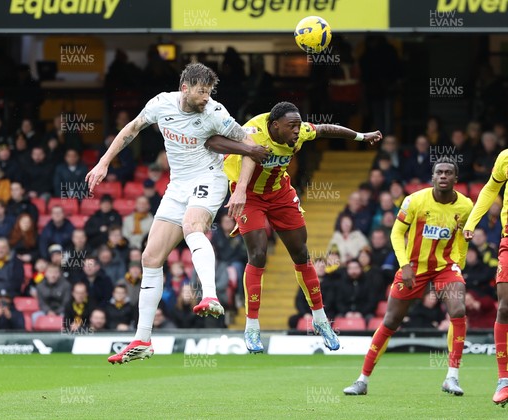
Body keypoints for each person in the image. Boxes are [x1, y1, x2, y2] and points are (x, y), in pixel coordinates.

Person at [85, 62, 268, 364]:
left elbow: (251, 147)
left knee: (192, 226)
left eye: (209, 92)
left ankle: (209, 295)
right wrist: (104, 162)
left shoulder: (216, 113)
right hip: (177, 185)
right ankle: (142, 340)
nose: (205, 98)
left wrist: (240, 190)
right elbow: (131, 129)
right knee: (149, 258)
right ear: (185, 88)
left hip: (209, 177)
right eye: (201, 92)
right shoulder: (161, 104)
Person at [207, 101, 381, 351]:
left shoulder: (298, 131)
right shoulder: (253, 132)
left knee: (301, 254)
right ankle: (252, 326)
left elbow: (324, 129)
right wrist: (245, 154)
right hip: (248, 196)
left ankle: (321, 320)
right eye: (292, 127)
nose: (297, 131)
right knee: (257, 255)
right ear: (275, 126)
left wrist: (361, 136)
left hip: (280, 193)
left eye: (299, 126)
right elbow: (212, 142)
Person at [344, 159, 473, 397]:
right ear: (432, 177)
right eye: (439, 172)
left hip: (445, 267)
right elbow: (396, 233)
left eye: (449, 173)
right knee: (391, 320)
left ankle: (452, 377)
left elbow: (463, 239)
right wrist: (404, 265)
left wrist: (458, 265)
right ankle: (362, 380)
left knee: (458, 311)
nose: (443, 176)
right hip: (413, 266)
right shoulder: (414, 200)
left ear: (456, 179)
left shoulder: (466, 206)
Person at [463, 148, 508, 405]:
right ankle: (504, 379)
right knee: (505, 307)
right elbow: (491, 189)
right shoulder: (505, 157)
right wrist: (471, 221)